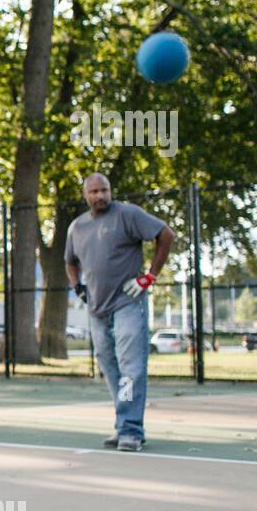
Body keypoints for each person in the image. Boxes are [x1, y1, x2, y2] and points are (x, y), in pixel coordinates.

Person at [65, 174, 175, 452]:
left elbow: (166, 235)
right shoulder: (77, 227)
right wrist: (78, 288)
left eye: (104, 190)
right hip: (96, 307)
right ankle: (123, 421)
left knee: (131, 367)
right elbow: (70, 262)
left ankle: (130, 430)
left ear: (110, 191)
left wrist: (149, 276)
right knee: (109, 366)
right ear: (85, 195)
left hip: (128, 302)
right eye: (94, 191)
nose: (100, 196)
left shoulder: (129, 215)